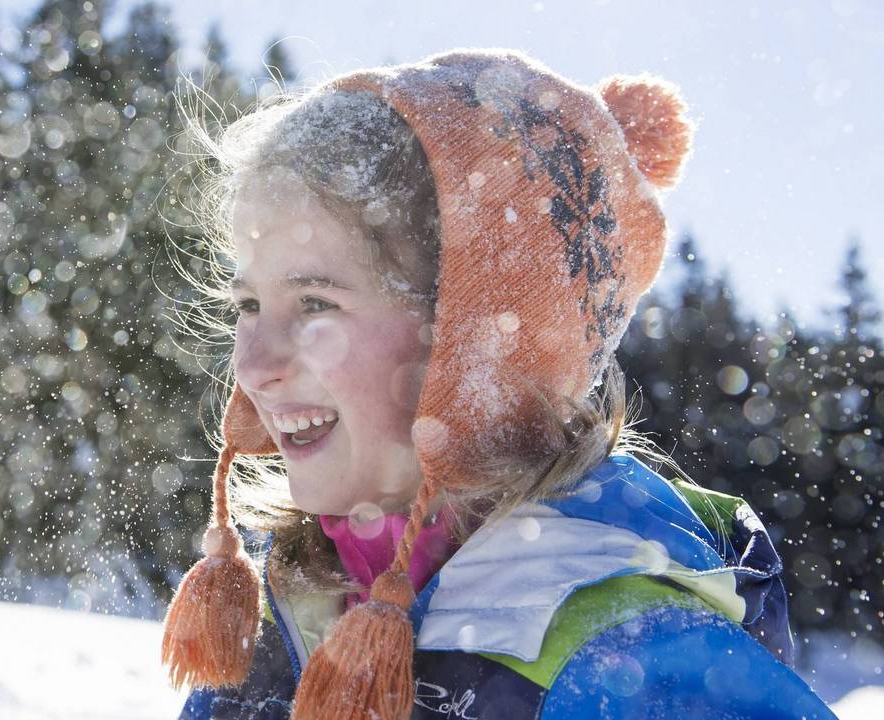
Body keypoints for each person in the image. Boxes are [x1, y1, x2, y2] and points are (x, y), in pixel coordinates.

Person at [159, 48, 839, 719]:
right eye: (247, 305)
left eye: (315, 305)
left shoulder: (632, 668)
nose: (251, 367)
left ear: (478, 343)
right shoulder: (286, 609)